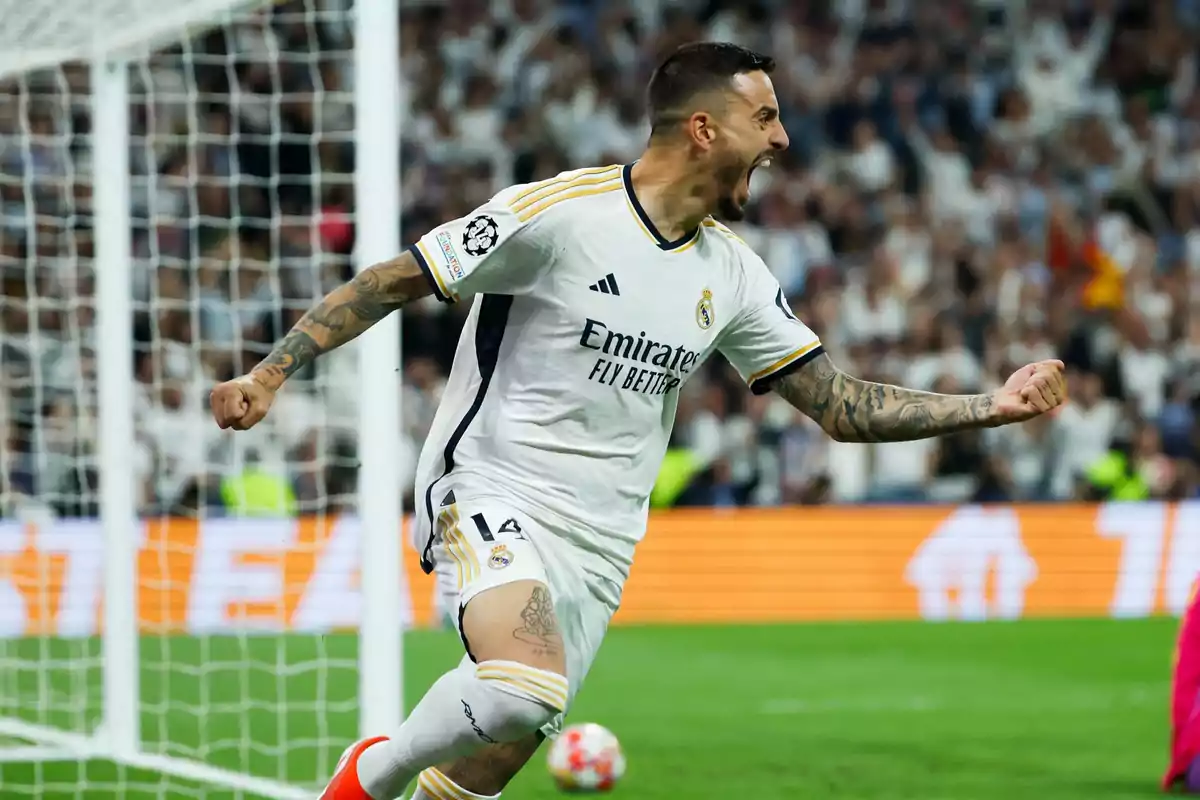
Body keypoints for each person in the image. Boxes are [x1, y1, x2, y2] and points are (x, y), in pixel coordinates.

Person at [209, 42, 1068, 800]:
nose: (782, 140)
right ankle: (372, 773)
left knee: (493, 756)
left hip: (606, 538)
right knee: (520, 690)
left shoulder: (732, 274)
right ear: (703, 128)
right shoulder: (559, 216)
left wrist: (991, 406)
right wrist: (271, 371)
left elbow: (838, 405)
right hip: (492, 485)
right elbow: (399, 277)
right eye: (764, 118)